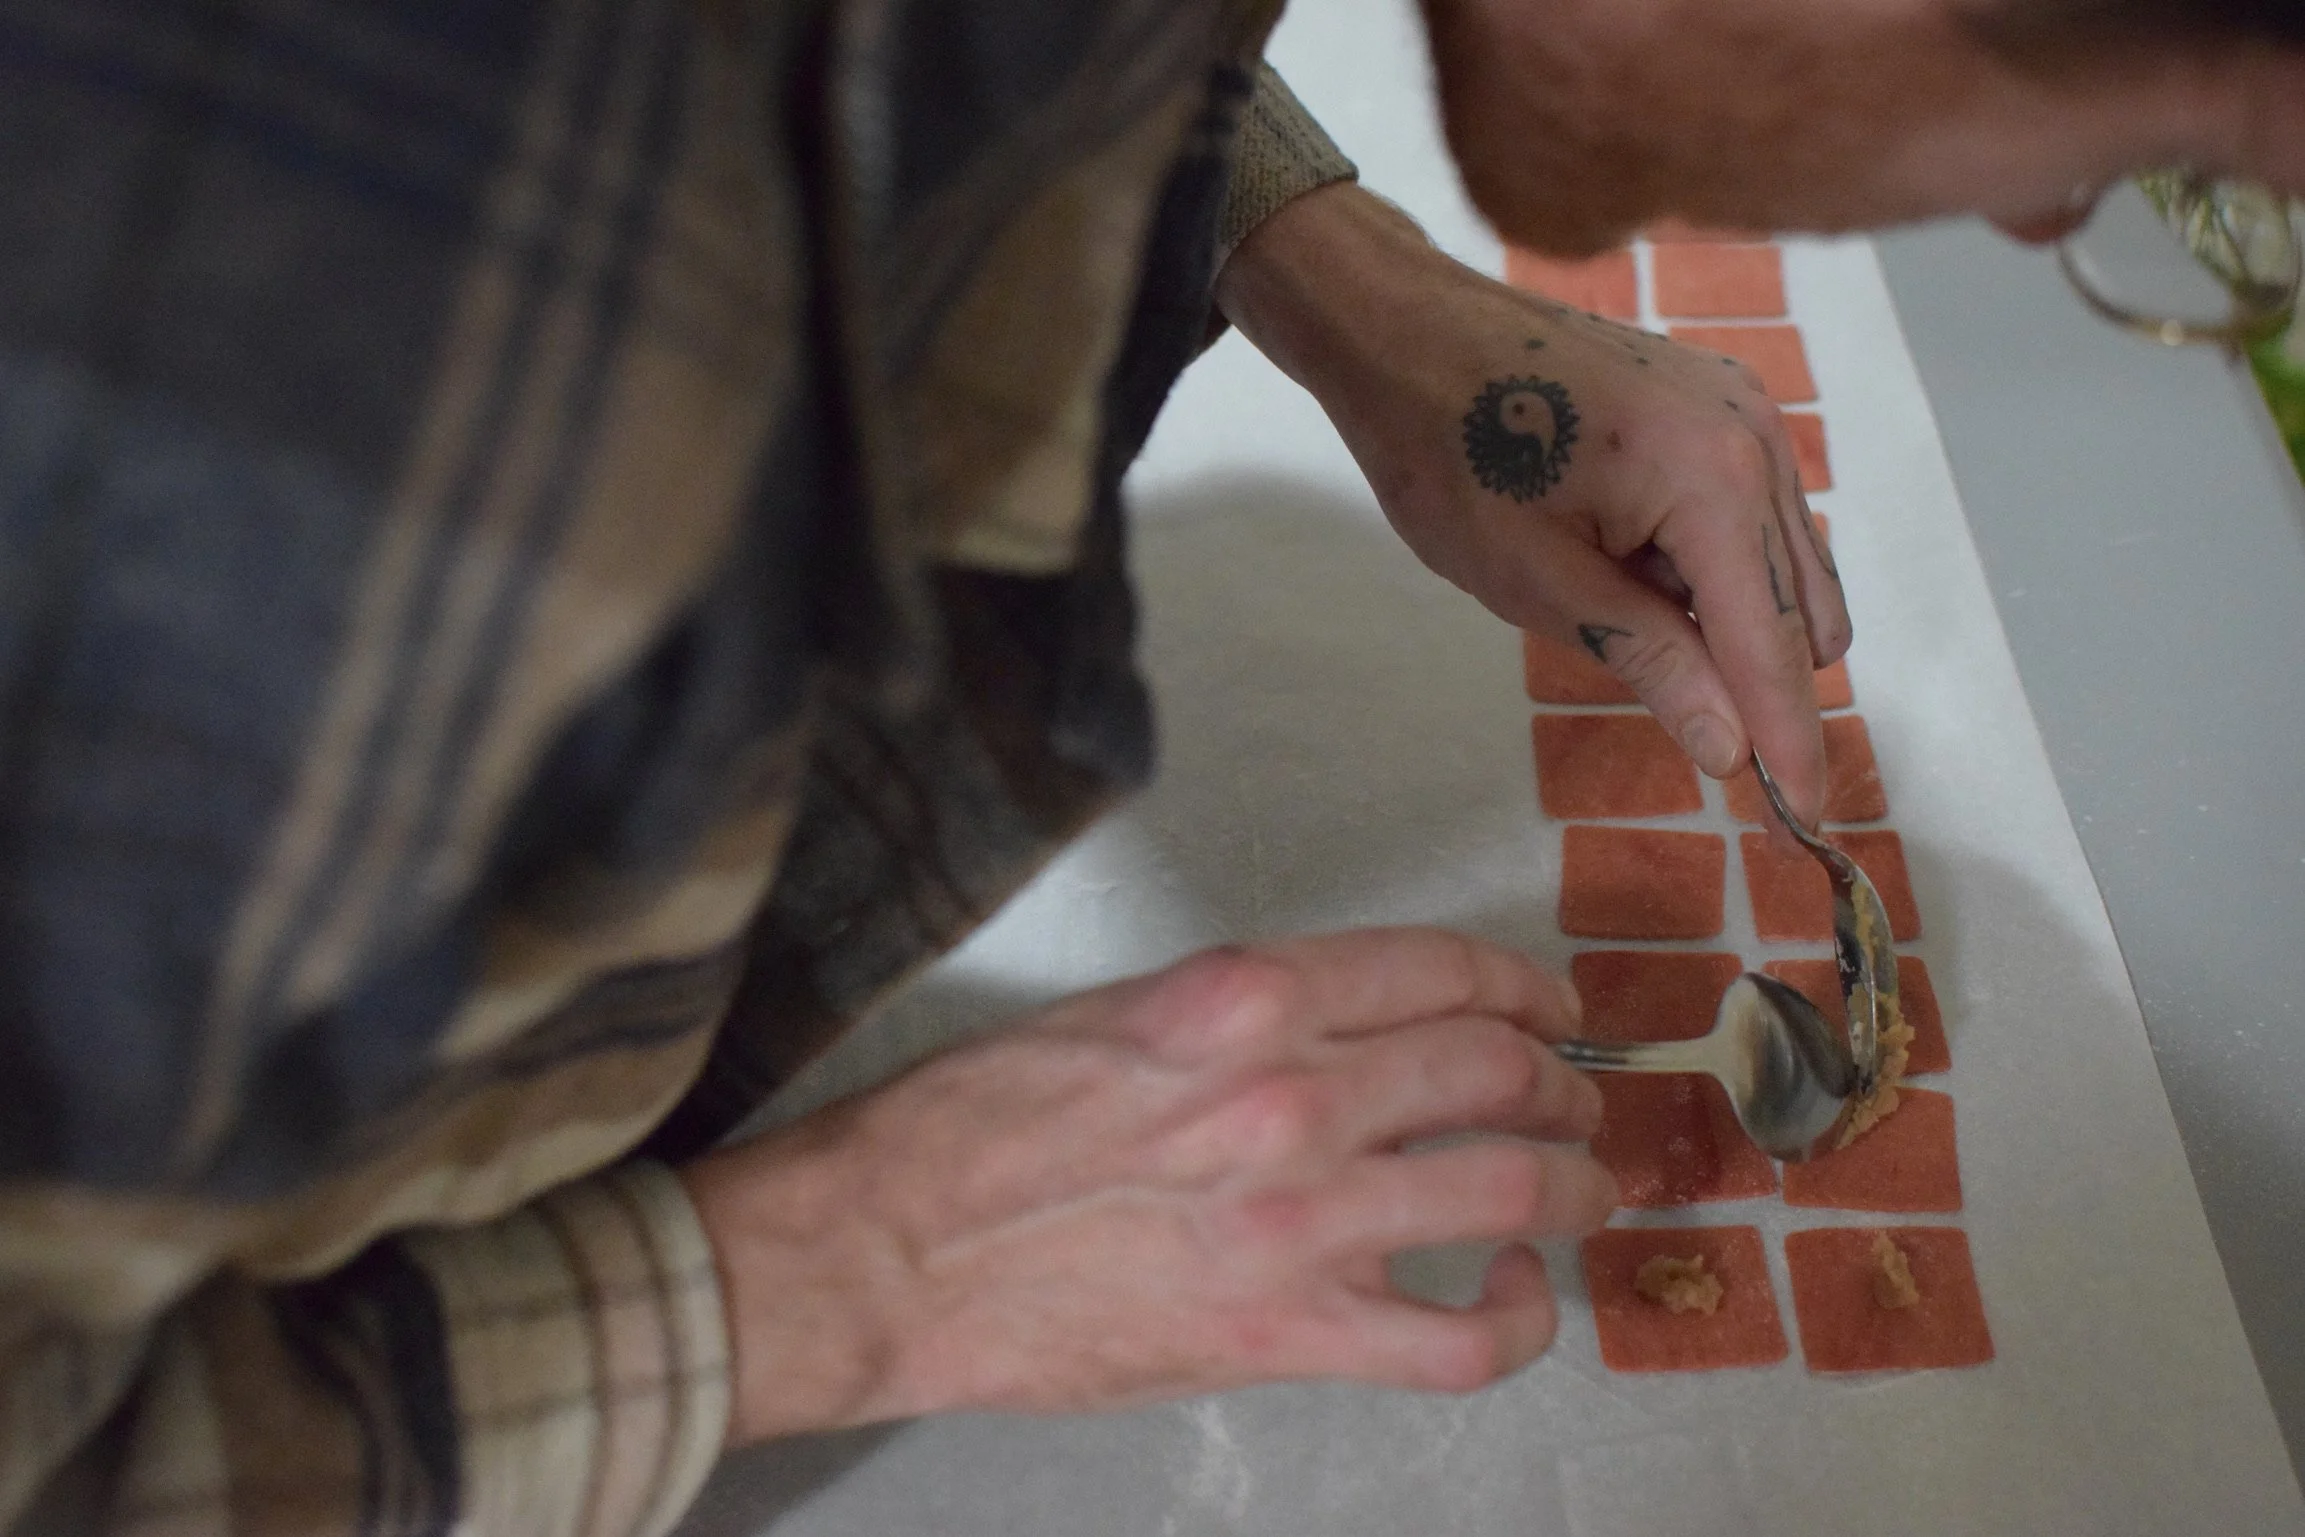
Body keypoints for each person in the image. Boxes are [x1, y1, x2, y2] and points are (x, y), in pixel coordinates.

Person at [0, 1, 2297, 1532]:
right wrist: (836, 1281)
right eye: (2193, 113)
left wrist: (1333, 270)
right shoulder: (350, 382)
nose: (2030, 223)